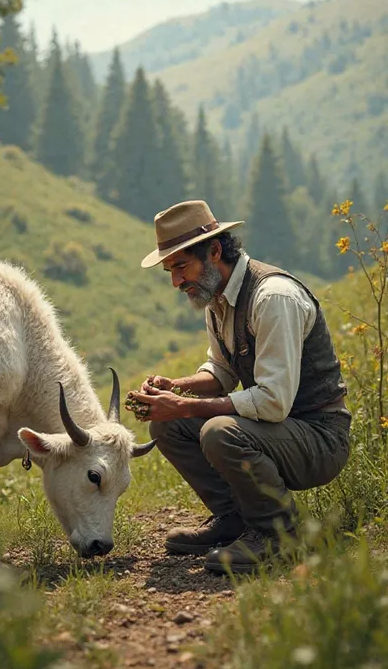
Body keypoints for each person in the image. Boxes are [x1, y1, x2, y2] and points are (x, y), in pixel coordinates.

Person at [126, 199, 351, 574]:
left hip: (320, 438)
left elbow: (272, 402)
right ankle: (234, 520)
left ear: (214, 251)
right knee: (166, 425)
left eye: (181, 266)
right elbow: (221, 372)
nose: (176, 281)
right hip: (278, 430)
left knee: (218, 431)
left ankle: (279, 534)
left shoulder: (273, 298)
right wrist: (175, 386)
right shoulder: (217, 297)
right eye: (170, 270)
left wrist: (183, 405)